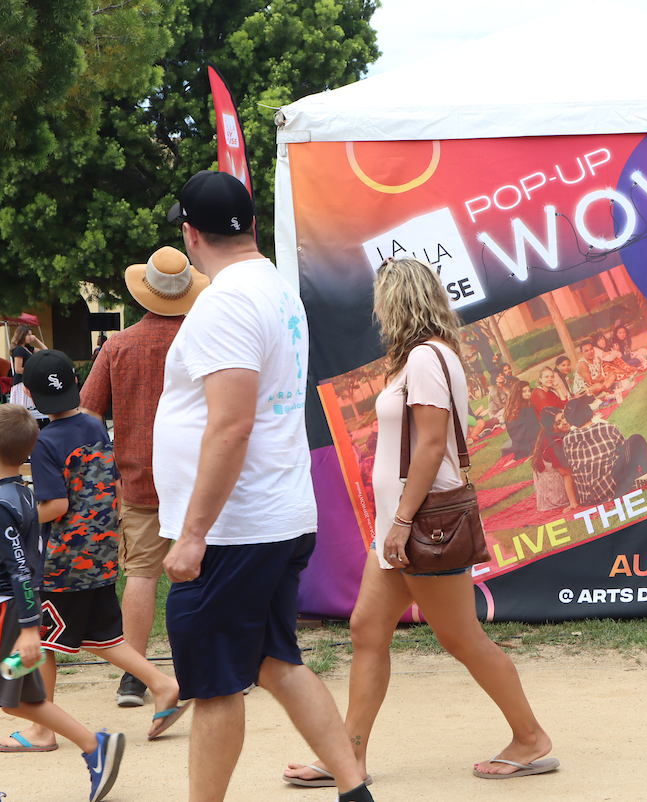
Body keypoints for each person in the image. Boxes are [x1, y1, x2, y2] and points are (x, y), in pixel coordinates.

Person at [284, 256, 557, 787]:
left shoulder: (429, 359)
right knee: (367, 629)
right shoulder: (417, 361)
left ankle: (531, 738)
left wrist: (403, 521)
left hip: (420, 525)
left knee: (462, 638)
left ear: (398, 301)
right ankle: (349, 757)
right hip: (402, 527)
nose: (378, 310)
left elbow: (432, 444)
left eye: (383, 300)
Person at [157, 170, 371, 802]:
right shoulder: (277, 288)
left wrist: (193, 535)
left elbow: (231, 423)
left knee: (217, 680)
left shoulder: (226, 301)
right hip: (273, 512)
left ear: (191, 234)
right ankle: (354, 787)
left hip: (233, 527)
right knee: (277, 659)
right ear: (250, 225)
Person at [0, 403, 124, 802]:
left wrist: (26, 628)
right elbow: (14, 552)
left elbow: (19, 568)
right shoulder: (22, 496)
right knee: (20, 699)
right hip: (12, 611)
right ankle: (95, 746)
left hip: (4, 615)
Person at [4, 350, 188, 752]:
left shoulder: (45, 442)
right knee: (102, 636)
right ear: (74, 382)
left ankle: (41, 729)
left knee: (47, 643)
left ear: (32, 396)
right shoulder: (93, 425)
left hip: (63, 562)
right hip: (101, 550)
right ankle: (163, 684)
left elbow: (55, 506)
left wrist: (20, 513)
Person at [80, 245, 210, 708]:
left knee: (140, 574)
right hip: (201, 477)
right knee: (204, 571)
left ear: (144, 295)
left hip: (138, 480)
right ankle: (209, 667)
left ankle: (134, 677)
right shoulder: (205, 339)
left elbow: (88, 413)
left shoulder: (118, 345)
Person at [560, 396, 647, 506]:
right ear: (588, 410)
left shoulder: (567, 440)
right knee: (635, 440)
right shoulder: (607, 428)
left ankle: (644, 470)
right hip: (614, 490)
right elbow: (625, 450)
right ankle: (646, 470)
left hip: (587, 498)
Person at [531, 407, 577, 511]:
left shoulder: (546, 436)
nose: (565, 422)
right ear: (551, 427)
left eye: (564, 417)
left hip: (547, 493)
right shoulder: (555, 444)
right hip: (557, 496)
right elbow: (566, 473)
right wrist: (573, 503)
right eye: (558, 422)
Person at [502, 382, 540, 462]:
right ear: (518, 393)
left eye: (529, 391)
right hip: (530, 444)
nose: (528, 393)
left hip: (519, 446)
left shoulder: (512, 408)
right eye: (524, 391)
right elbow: (534, 429)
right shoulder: (526, 408)